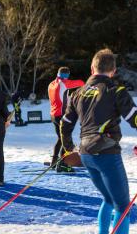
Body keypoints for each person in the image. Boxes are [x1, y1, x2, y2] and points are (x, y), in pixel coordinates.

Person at [60, 49, 137, 234]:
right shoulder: (115, 90)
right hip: (106, 154)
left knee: (109, 200)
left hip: (86, 154)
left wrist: (68, 147)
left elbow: (65, 124)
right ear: (113, 71)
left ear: (92, 68)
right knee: (122, 206)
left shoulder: (77, 93)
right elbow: (135, 119)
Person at [48, 67, 84, 171]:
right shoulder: (64, 83)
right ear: (66, 76)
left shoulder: (51, 84)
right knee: (65, 139)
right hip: (61, 115)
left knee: (60, 138)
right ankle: (63, 163)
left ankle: (54, 162)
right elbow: (81, 83)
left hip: (53, 114)